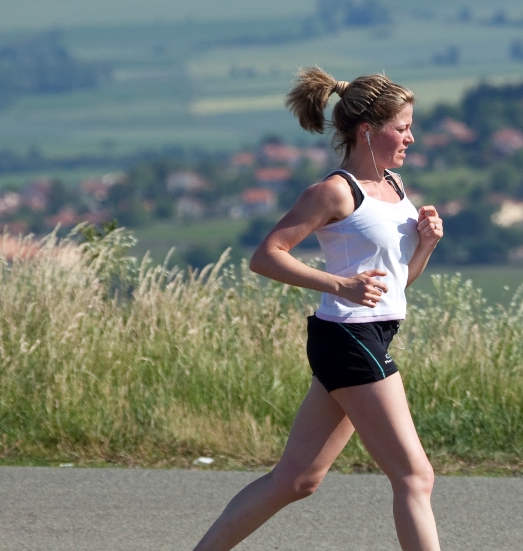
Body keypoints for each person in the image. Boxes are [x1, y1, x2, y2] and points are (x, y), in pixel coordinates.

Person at [193, 67, 444, 551]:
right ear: (368, 131)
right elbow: (266, 256)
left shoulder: (394, 186)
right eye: (403, 126)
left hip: (368, 331)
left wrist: (425, 247)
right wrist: (339, 284)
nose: (411, 137)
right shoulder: (334, 191)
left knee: (297, 479)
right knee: (415, 476)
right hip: (349, 337)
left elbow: (393, 287)